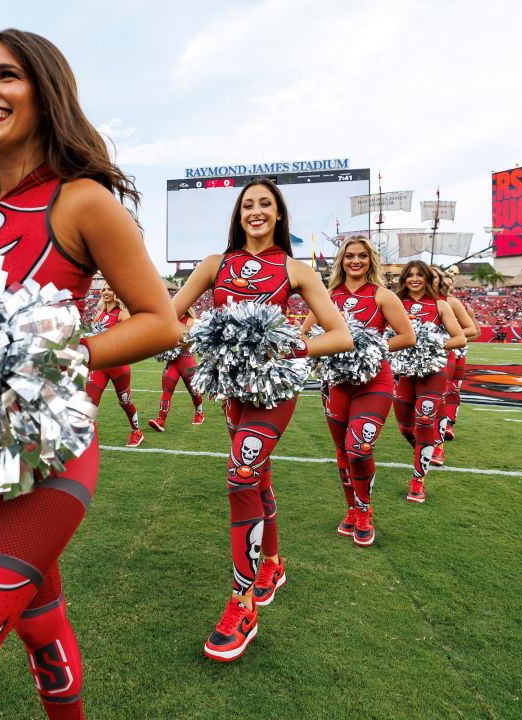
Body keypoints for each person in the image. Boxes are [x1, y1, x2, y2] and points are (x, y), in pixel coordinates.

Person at [0, 29, 182, 719]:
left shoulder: (81, 201)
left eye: (8, 76)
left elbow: (160, 321)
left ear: (44, 90)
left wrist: (50, 352)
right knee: (38, 622)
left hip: (50, 455)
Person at [170, 177, 352, 662]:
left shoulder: (296, 269)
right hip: (232, 392)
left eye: (264, 204)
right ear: (239, 213)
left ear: (277, 214)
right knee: (259, 480)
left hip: (274, 391)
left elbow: (341, 335)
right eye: (247, 204)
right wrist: (208, 335)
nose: (255, 211)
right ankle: (272, 560)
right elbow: (170, 317)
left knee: (240, 475)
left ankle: (242, 605)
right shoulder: (214, 265)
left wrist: (288, 346)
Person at [301, 237, 414, 546]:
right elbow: (303, 335)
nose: (355, 260)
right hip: (336, 383)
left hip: (374, 381)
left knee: (358, 447)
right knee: (342, 451)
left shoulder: (383, 296)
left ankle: (365, 509)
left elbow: (407, 336)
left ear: (370, 260)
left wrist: (366, 348)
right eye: (350, 255)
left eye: (362, 256)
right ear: (341, 260)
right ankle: (350, 508)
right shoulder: (326, 296)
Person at [393, 260, 467, 504]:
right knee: (405, 426)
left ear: (427, 278)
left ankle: (418, 481)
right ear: (403, 279)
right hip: (404, 372)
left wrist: (431, 346)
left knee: (424, 419)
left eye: (420, 275)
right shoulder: (394, 304)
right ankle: (423, 448)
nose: (414, 279)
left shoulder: (440, 305)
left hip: (432, 372)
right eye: (409, 275)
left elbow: (459, 338)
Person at [87, 284, 144, 447]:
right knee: (89, 402)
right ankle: (85, 439)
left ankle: (136, 431)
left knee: (125, 402)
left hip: (118, 366)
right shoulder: (98, 315)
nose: (106, 292)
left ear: (116, 293)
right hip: (99, 366)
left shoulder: (122, 314)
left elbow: (134, 335)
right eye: (104, 290)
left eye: (110, 289)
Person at [433, 269, 479, 460]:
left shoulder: (453, 303)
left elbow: (475, 331)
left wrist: (449, 335)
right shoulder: (414, 301)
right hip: (421, 356)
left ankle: (447, 425)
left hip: (453, 351)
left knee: (450, 390)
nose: (449, 284)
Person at [147, 309, 206, 432]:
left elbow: (194, 342)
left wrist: (178, 343)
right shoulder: (168, 321)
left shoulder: (190, 321)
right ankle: (161, 420)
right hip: (172, 362)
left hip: (187, 360)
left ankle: (199, 413)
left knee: (193, 391)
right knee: (166, 391)